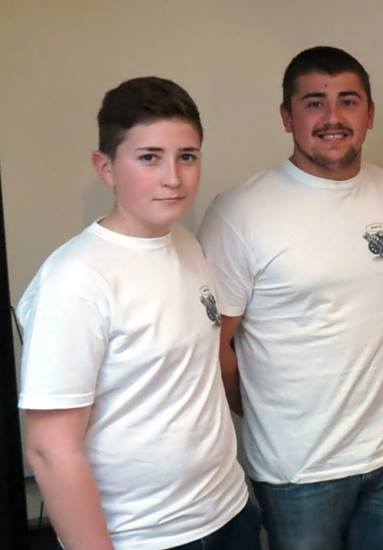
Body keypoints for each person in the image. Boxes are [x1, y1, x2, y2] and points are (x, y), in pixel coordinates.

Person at [197, 46, 383, 550]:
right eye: (314, 103)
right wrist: (263, 411)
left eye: (348, 101)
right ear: (286, 116)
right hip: (297, 472)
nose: (333, 117)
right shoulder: (240, 212)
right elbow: (214, 344)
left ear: (370, 113)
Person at [17, 77, 256, 549]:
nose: (174, 177)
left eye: (187, 156)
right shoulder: (75, 280)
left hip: (228, 509)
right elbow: (50, 451)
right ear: (105, 167)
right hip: (143, 535)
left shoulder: (186, 244)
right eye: (149, 157)